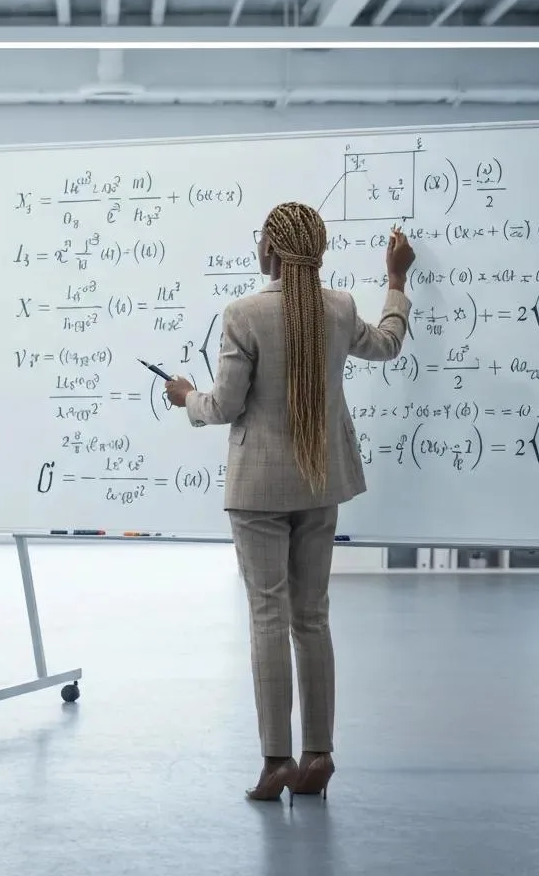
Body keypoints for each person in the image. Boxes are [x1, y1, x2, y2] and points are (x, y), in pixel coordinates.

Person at [165, 202, 414, 805]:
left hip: (258, 489)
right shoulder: (340, 308)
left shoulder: (244, 314)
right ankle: (319, 754)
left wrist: (186, 397)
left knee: (269, 617)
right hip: (320, 482)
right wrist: (397, 282)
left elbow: (223, 407)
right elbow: (386, 347)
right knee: (312, 617)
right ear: (319, 251)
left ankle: (277, 761)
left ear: (270, 251)